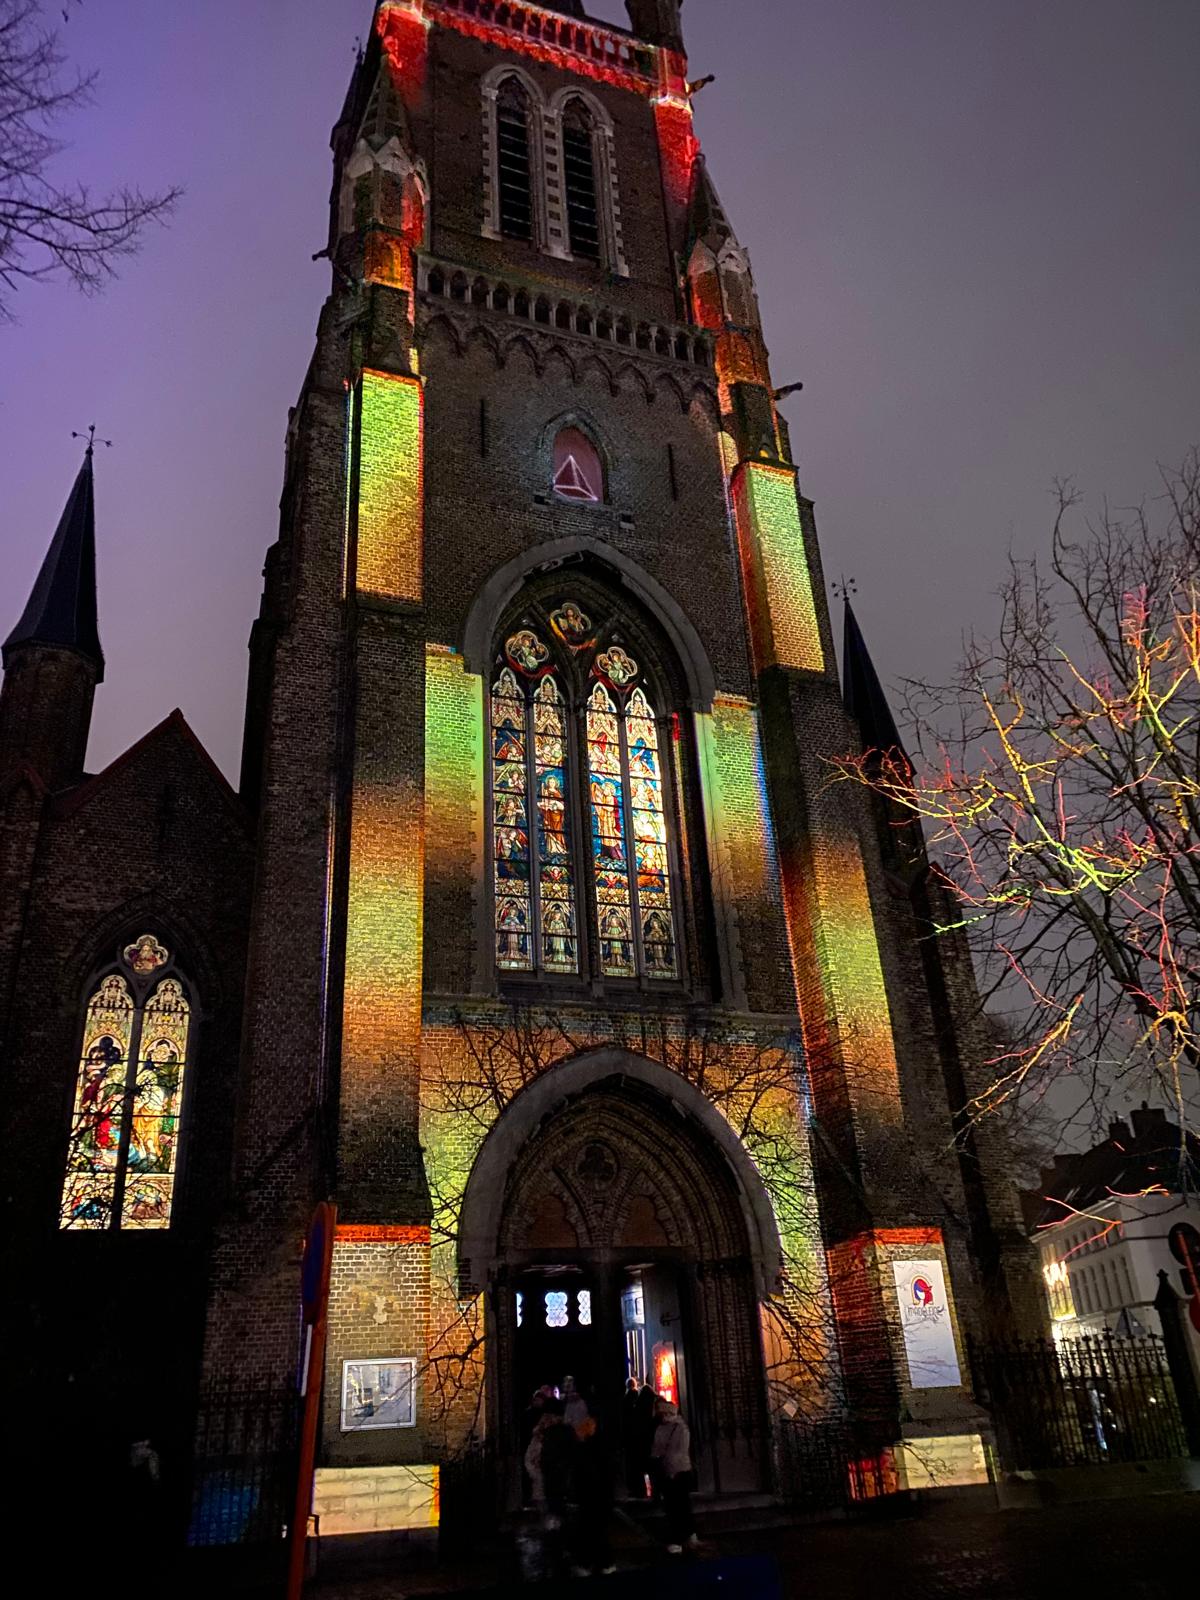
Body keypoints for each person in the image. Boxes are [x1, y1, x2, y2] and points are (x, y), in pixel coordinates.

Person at [569, 1413, 616, 1577]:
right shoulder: (599, 1446)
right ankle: (602, 1562)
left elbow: (585, 1473)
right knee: (597, 1530)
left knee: (592, 1529)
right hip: (598, 1495)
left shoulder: (586, 1448)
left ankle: (593, 1562)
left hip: (592, 1495)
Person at [650, 1398, 697, 1555]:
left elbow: (677, 1451)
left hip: (678, 1471)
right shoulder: (670, 1428)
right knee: (678, 1505)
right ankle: (687, 1534)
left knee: (677, 1505)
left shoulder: (679, 1428)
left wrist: (669, 1468)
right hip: (672, 1470)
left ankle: (679, 1538)